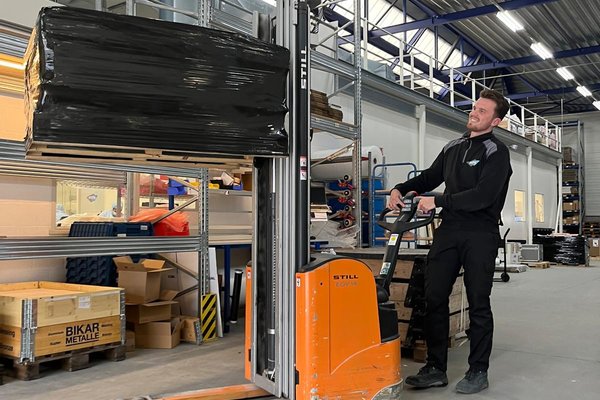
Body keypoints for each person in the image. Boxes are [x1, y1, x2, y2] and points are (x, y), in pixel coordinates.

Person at [387, 89, 512, 394]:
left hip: (480, 234)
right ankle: (435, 368)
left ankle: (478, 370)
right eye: (475, 108)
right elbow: (429, 177)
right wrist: (399, 188)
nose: (474, 113)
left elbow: (483, 197)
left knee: (479, 302)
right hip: (449, 231)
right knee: (434, 297)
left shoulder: (496, 152)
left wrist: (438, 201)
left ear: (495, 121)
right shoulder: (454, 146)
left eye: (482, 111)